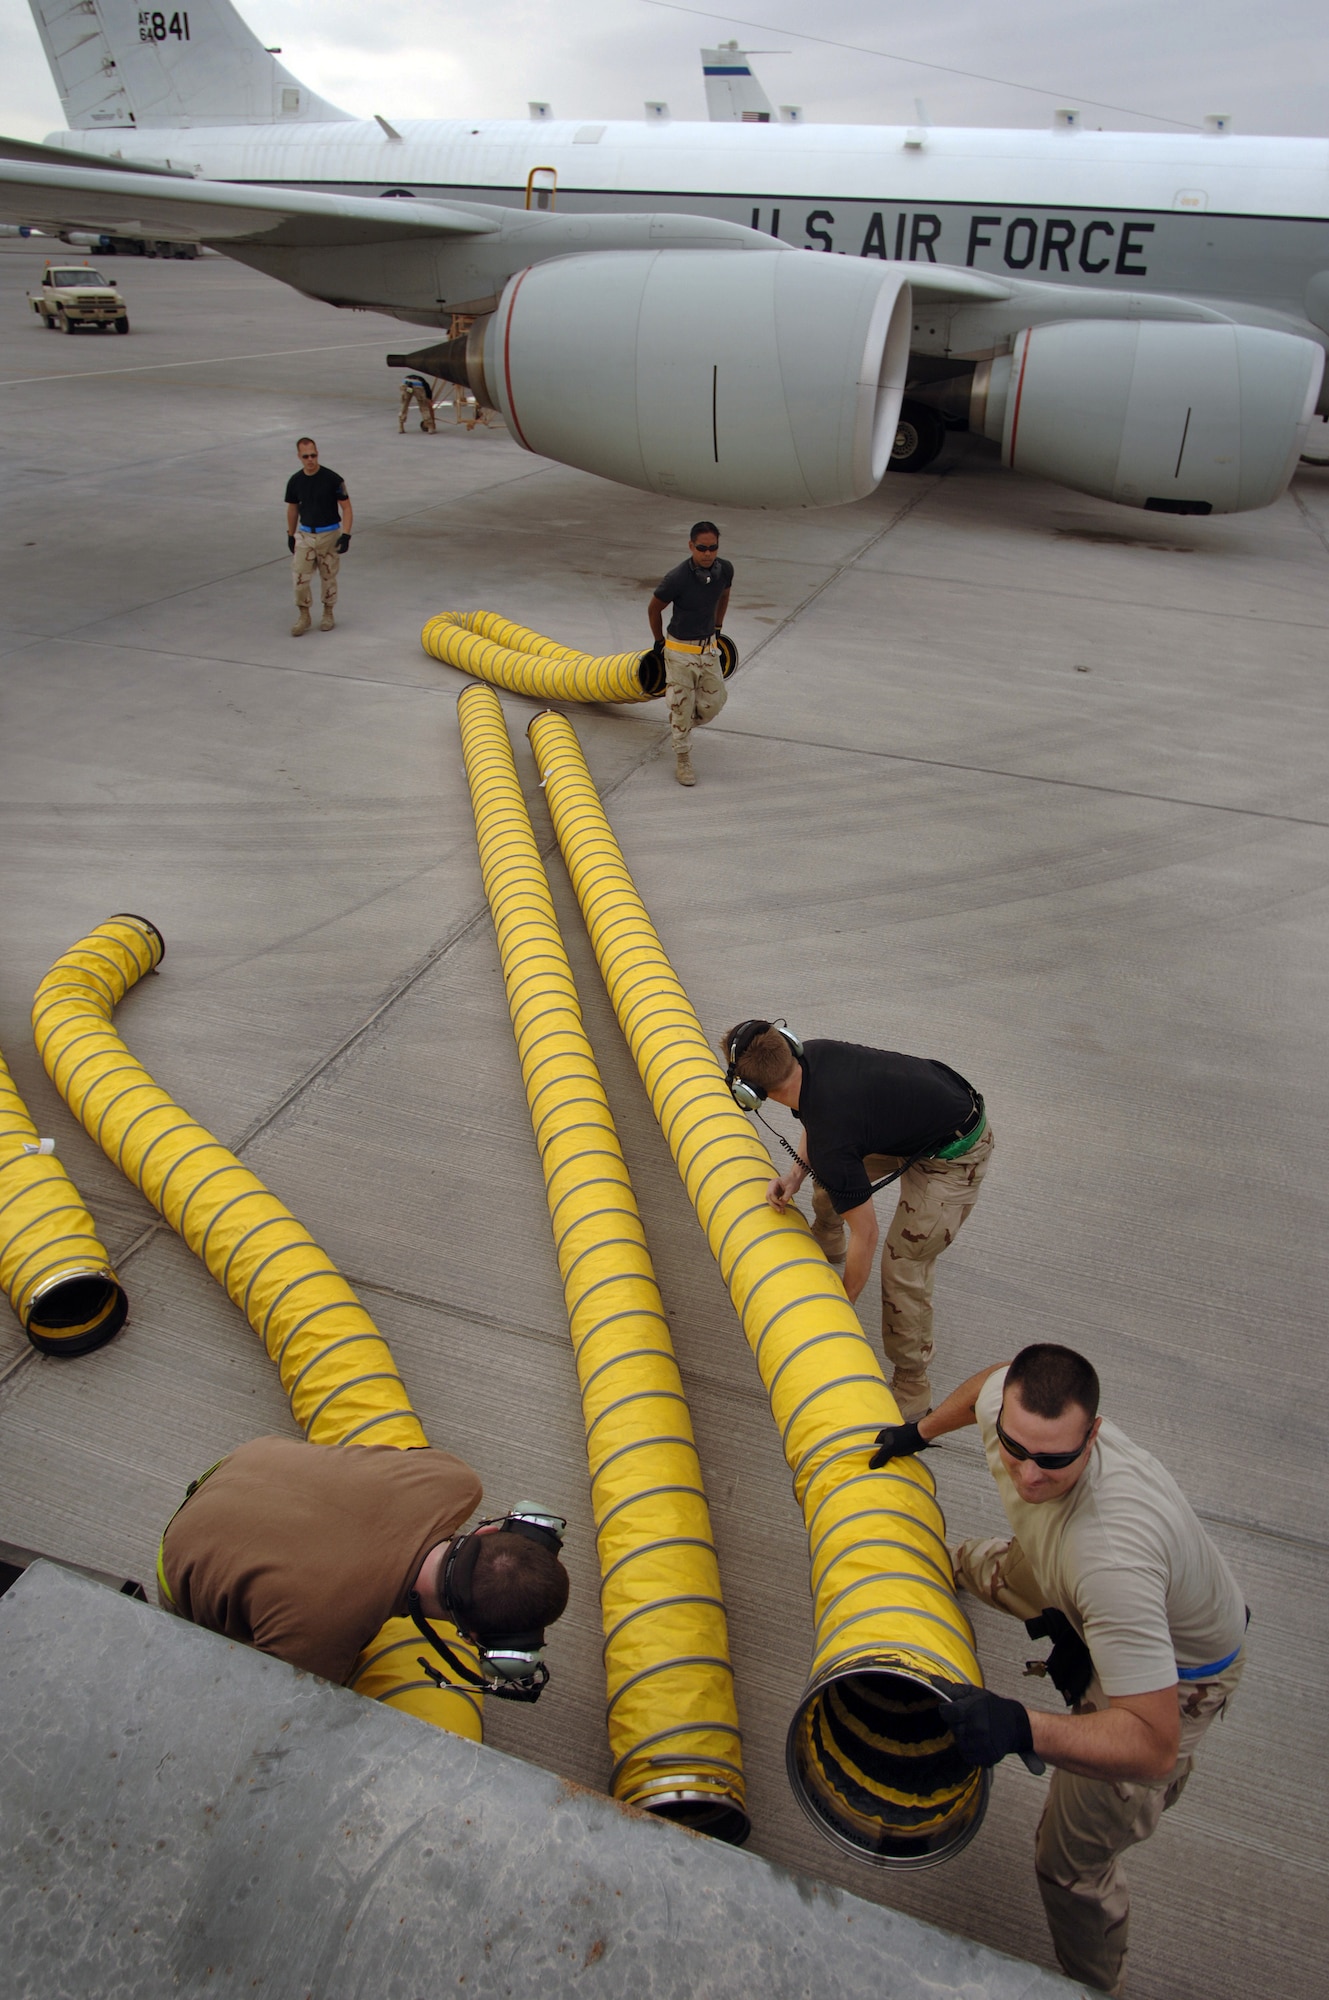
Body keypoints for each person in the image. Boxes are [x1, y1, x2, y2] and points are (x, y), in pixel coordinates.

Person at [872, 1344, 1247, 1997]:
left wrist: (1021, 1726)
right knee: (973, 1563)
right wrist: (919, 1431)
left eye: (1053, 1459)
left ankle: (1094, 1983)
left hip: (1177, 1676)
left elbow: (1152, 1744)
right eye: (1015, 1448)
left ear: (1093, 1436)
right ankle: (992, 1582)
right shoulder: (1011, 1412)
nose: (1027, 1475)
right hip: (1066, 1574)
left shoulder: (1109, 1563)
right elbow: (990, 1380)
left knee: (1065, 1860)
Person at [721, 1020, 992, 1419]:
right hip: (908, 1123)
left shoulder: (832, 1137)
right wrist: (794, 1175)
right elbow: (819, 1122)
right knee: (834, 1178)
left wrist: (840, 1305)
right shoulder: (813, 1055)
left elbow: (866, 1232)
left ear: (754, 1095)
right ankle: (827, 1238)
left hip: (955, 1154)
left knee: (903, 1263)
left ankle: (912, 1385)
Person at [155, 1434, 570, 1691]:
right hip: (180, 1552)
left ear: (488, 1532)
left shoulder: (453, 1480)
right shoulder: (321, 1641)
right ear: (476, 1637)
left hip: (249, 1459)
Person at [647, 521, 732, 787]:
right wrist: (659, 641)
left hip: (708, 649)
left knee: (714, 703)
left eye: (712, 548)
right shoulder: (677, 578)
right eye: (701, 548)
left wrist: (718, 627)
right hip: (680, 652)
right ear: (691, 546)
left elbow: (725, 595)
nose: (707, 553)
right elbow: (653, 609)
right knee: (683, 708)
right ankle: (683, 760)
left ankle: (678, 718)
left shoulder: (725, 570)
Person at [284, 437, 352, 636]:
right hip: (305, 534)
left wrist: (346, 534)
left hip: (328, 535)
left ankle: (328, 612)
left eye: (313, 455)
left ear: (318, 454)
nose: (310, 460)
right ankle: (304, 615)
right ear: (299, 457)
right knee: (299, 578)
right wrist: (290, 534)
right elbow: (292, 509)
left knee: (328, 577)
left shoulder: (333, 479)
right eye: (305, 456)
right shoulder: (295, 481)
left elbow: (346, 507)